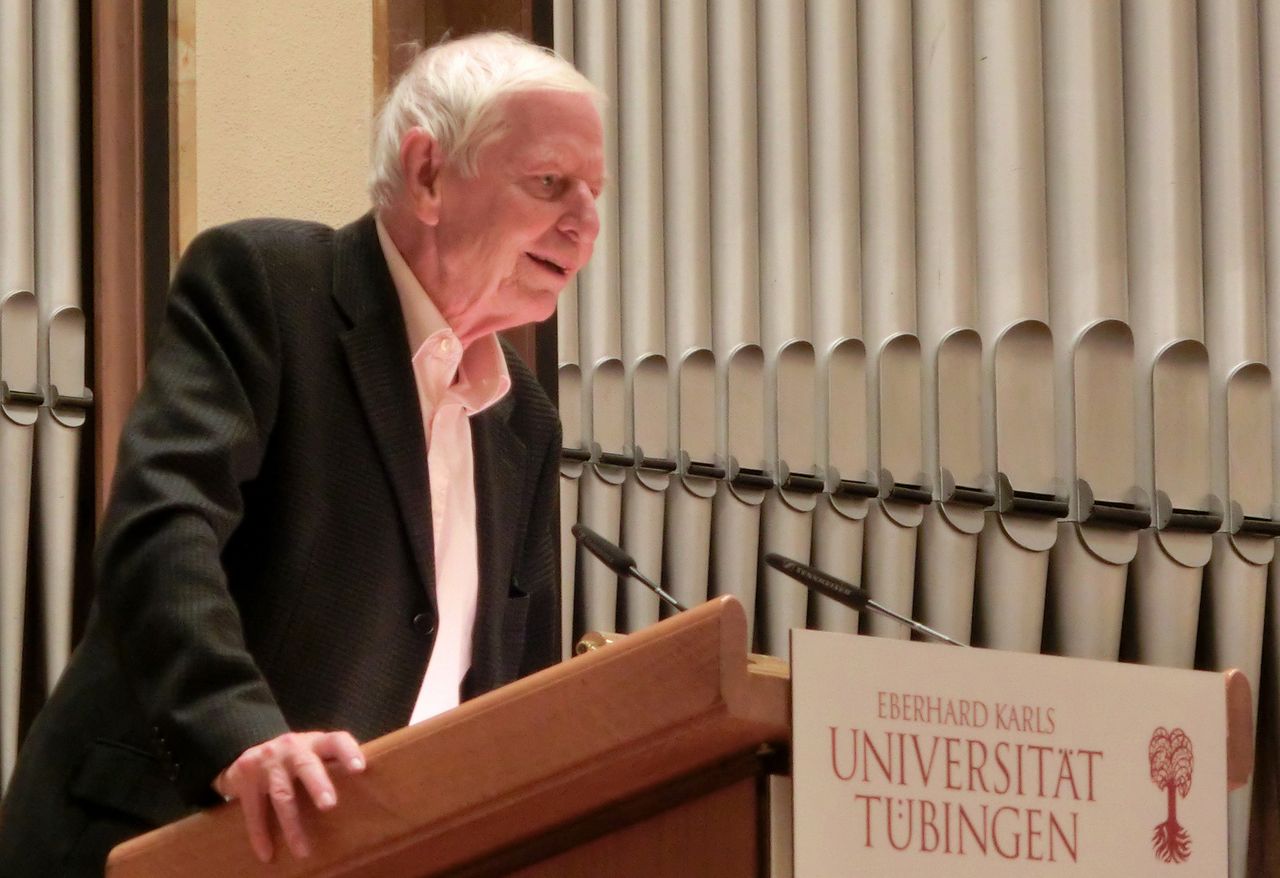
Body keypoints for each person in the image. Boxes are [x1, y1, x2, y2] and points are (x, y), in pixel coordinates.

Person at [0, 31, 604, 876]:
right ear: (428, 174)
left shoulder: (523, 422)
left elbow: (513, 705)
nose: (585, 224)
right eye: (549, 183)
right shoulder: (269, 284)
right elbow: (164, 528)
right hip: (151, 838)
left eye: (595, 193)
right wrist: (243, 736)